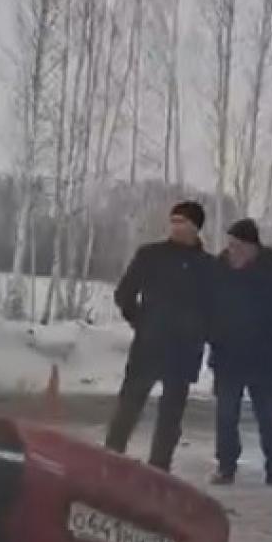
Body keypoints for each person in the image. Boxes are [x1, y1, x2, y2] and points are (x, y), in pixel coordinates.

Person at [105, 201, 213, 472]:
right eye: (173, 220)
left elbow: (217, 307)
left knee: (171, 415)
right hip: (149, 345)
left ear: (196, 227)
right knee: (129, 406)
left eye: (183, 222)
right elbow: (124, 293)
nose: (176, 226)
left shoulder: (207, 266)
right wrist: (142, 322)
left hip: (184, 350)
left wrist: (202, 330)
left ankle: (159, 467)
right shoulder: (151, 255)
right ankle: (109, 459)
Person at [208, 218, 272, 489]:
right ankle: (226, 468)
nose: (232, 250)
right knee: (226, 416)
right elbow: (206, 302)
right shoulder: (220, 266)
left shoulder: (270, 264)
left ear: (252, 246)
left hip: (263, 357)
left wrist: (255, 272)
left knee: (269, 416)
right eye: (230, 244)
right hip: (227, 355)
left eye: (238, 246)